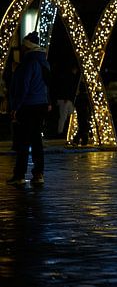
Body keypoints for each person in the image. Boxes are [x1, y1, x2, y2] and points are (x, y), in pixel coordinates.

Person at [6, 32, 51, 186]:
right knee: (36, 140)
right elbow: (47, 84)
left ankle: (19, 175)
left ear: (28, 47)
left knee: (23, 141)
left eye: (24, 46)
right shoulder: (43, 61)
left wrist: (16, 106)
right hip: (40, 105)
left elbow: (23, 86)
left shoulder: (28, 62)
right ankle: (38, 174)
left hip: (28, 105)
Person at [52, 60, 80, 138]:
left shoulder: (70, 77)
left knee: (71, 114)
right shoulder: (69, 77)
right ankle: (60, 132)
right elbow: (66, 88)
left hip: (67, 99)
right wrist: (66, 97)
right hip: (64, 99)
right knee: (64, 116)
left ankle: (66, 131)